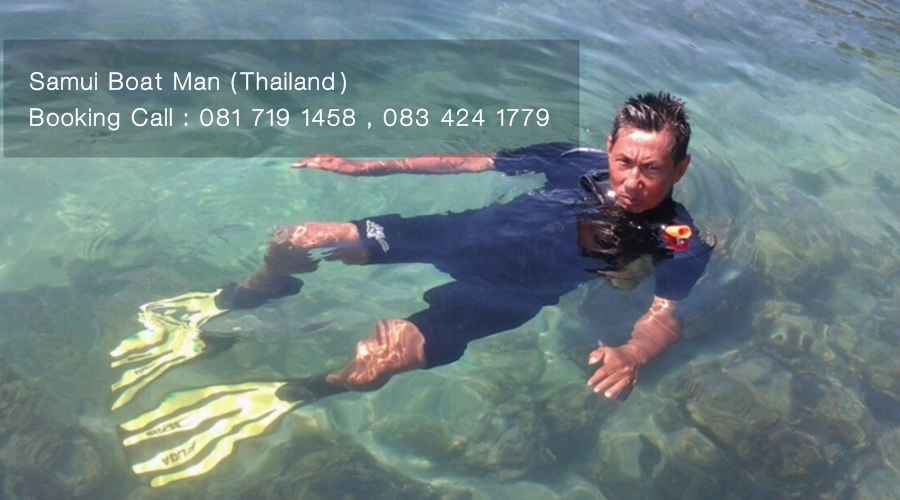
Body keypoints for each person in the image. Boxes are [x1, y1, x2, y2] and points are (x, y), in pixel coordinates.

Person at [218, 91, 713, 402]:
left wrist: (633, 353)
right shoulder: (573, 159)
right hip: (462, 236)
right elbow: (470, 162)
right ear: (609, 148)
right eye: (625, 162)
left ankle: (320, 387)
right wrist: (368, 167)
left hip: (506, 294)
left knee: (376, 364)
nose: (632, 181)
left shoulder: (676, 234)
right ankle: (265, 285)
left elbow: (665, 314)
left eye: (652, 170)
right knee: (297, 238)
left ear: (680, 169)